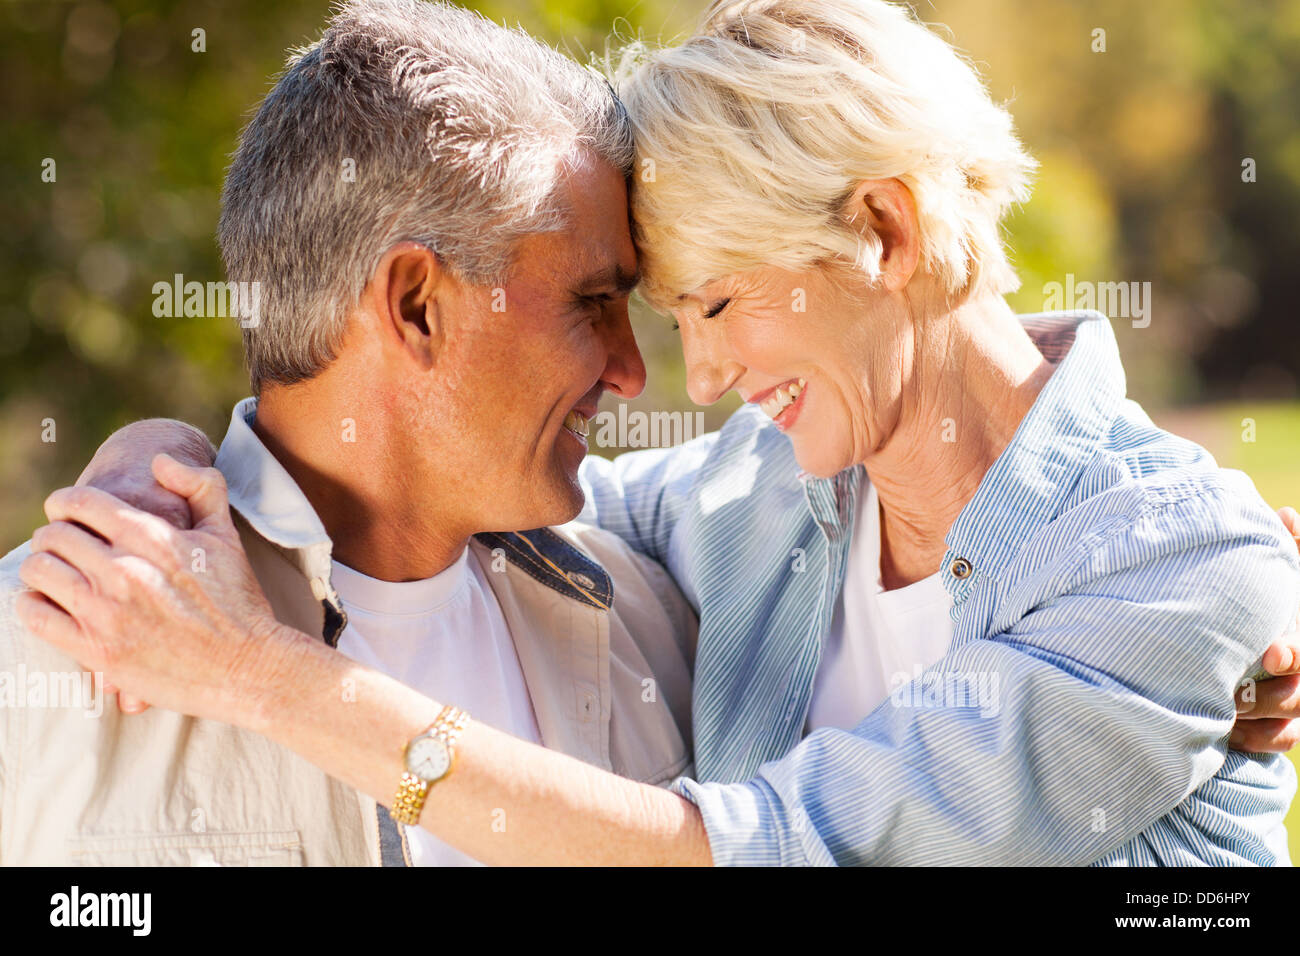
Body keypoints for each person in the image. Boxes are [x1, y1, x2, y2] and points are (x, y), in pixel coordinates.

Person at [18, 0, 1300, 865]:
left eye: (719, 303)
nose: (688, 374)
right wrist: (157, 467)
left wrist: (262, 676)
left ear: (885, 231)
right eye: (639, 309)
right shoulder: (738, 506)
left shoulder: (1181, 563)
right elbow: (425, 480)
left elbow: (766, 850)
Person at [0, 0, 697, 866]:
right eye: (591, 303)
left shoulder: (647, 621)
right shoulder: (37, 650)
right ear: (416, 305)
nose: (631, 372)